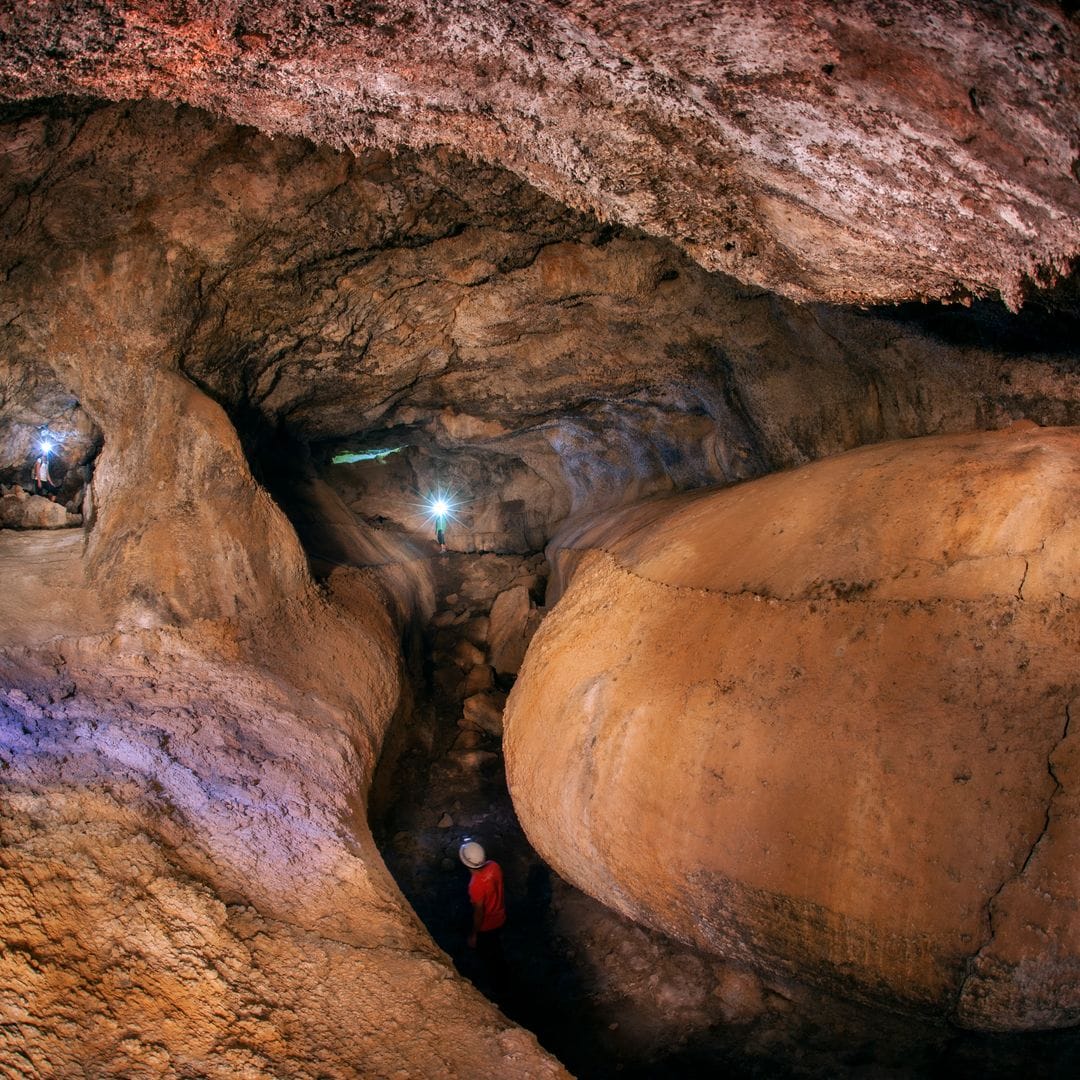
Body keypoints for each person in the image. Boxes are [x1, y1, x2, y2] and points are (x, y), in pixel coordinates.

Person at [459, 838, 508, 997]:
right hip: (500, 915)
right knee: (496, 946)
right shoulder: (494, 866)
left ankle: (497, 986)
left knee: (489, 956)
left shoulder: (475, 885)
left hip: (486, 926)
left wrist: (474, 933)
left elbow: (479, 912)